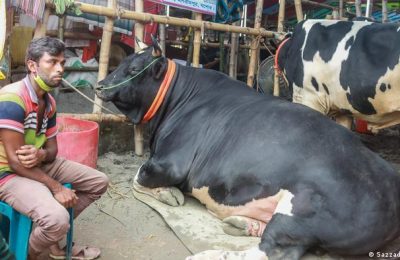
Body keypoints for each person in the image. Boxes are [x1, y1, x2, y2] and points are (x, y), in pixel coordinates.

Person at [0, 37, 109, 259]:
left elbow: (53, 151)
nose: (60, 69)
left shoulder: (49, 102)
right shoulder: (12, 98)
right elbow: (14, 162)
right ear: (32, 66)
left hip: (37, 165)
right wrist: (57, 187)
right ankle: (24, 254)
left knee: (99, 182)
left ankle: (45, 239)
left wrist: (41, 153)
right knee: (57, 219)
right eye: (52, 62)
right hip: (7, 173)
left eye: (62, 63)